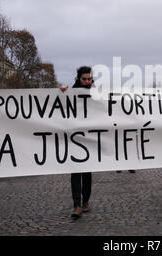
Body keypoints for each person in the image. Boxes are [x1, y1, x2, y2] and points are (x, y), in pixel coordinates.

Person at [60, 66, 94, 218]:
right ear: (78, 79)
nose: (87, 81)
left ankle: (85, 201)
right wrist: (61, 90)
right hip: (74, 139)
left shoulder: (96, 94)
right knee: (75, 173)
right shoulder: (70, 92)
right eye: (84, 79)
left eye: (89, 79)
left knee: (87, 173)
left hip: (90, 139)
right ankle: (77, 205)